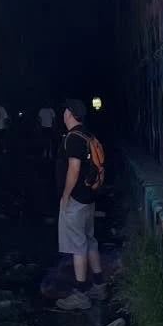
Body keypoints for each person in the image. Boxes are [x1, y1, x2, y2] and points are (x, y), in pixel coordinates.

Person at [55, 97, 103, 309]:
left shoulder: (73, 138)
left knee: (77, 245)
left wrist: (66, 195)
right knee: (89, 240)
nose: (62, 115)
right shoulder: (88, 134)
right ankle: (99, 286)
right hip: (89, 197)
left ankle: (81, 294)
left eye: (64, 111)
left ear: (70, 114)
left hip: (76, 198)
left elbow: (73, 169)